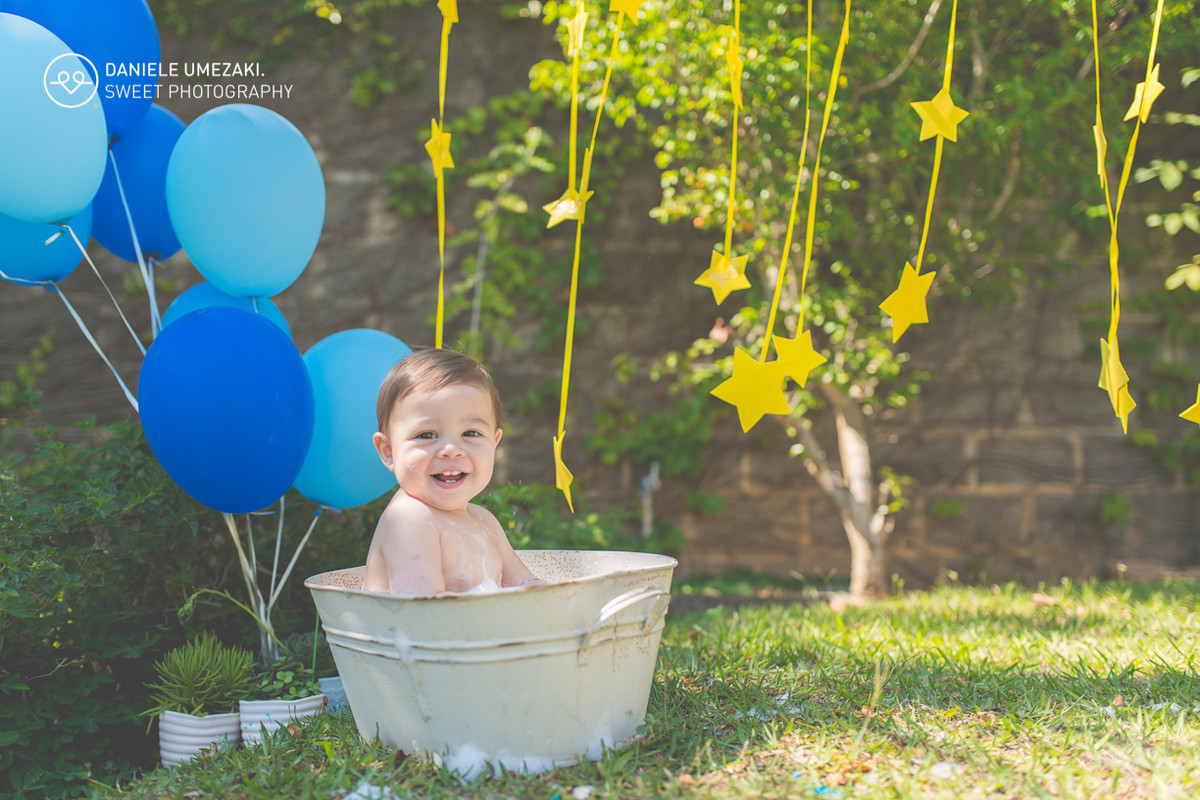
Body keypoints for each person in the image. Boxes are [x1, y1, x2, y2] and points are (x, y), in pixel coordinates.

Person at [362, 347, 544, 595]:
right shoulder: (410, 518)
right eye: (426, 435)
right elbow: (425, 610)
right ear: (388, 451)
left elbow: (526, 586)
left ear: (494, 442)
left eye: (471, 433)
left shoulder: (484, 521)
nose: (451, 449)